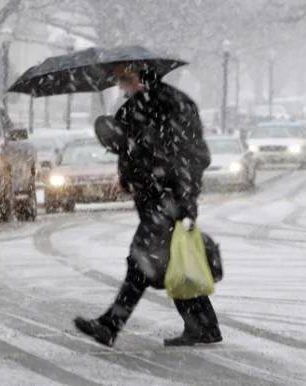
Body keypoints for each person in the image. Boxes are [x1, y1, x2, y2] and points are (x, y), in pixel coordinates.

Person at [74, 62, 222, 347]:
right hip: (153, 198)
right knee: (170, 263)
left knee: (139, 261)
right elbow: (125, 145)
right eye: (118, 79)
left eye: (124, 76)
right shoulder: (135, 106)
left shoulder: (173, 104)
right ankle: (205, 327)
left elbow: (194, 156)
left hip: (168, 200)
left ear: (141, 74)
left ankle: (110, 325)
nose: (120, 83)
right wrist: (113, 137)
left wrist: (183, 198)